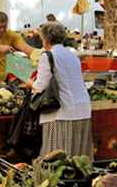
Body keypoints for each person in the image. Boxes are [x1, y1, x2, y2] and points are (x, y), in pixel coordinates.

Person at [31, 21, 93, 158]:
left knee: (57, 159)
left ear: (45, 39)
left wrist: (29, 83)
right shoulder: (73, 55)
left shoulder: (47, 56)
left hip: (62, 112)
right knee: (78, 157)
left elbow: (40, 85)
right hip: (83, 108)